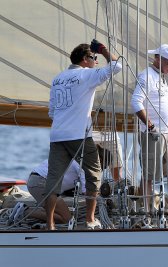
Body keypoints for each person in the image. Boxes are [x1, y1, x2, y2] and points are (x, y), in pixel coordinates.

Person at [45, 39, 122, 230]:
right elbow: (117, 66)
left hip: (57, 135)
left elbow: (52, 113)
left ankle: (50, 225)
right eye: (93, 58)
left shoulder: (57, 78)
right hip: (78, 134)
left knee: (53, 180)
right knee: (94, 173)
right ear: (85, 59)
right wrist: (103, 50)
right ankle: (89, 219)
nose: (96, 61)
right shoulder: (87, 75)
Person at [131, 44, 168, 223]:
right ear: (158, 59)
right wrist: (150, 126)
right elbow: (136, 102)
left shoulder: (161, 76)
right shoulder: (147, 76)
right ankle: (147, 214)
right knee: (149, 176)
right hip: (153, 134)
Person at [26, 160, 85, 224]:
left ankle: (30, 211)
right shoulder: (81, 163)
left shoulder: (75, 157)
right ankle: (26, 211)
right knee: (67, 220)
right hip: (41, 182)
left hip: (37, 179)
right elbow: (86, 191)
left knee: (59, 213)